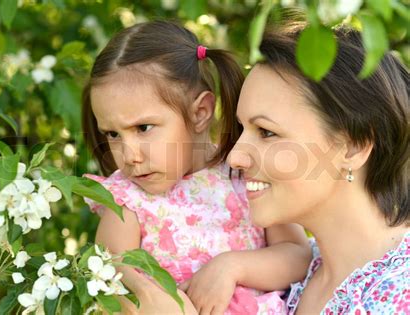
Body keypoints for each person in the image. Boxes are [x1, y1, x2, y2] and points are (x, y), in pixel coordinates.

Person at [81, 20, 311, 314]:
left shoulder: (245, 175)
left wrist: (232, 266)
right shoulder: (127, 200)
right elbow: (112, 271)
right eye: (113, 134)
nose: (129, 155)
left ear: (200, 112)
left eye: (143, 127)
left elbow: (297, 256)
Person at [223, 22, 409, 314]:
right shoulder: (287, 276)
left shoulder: (401, 295)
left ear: (353, 146)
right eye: (241, 128)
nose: (235, 158)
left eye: (266, 132)